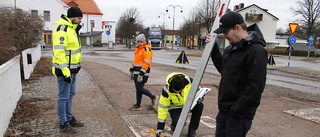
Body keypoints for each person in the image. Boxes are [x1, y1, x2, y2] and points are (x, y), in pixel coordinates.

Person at [206, 12, 267, 137]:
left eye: (226, 32)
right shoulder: (231, 48)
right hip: (224, 111)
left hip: (238, 116)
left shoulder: (256, 50)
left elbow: (256, 86)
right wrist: (213, 48)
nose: (224, 36)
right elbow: (224, 69)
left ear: (237, 28)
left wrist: (236, 110)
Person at [52, 6, 84, 134]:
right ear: (72, 17)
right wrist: (65, 72)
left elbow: (73, 52)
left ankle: (69, 118)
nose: (81, 20)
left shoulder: (72, 30)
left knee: (70, 96)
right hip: (65, 71)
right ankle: (63, 122)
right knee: (63, 97)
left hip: (72, 70)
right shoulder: (63, 31)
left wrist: (77, 67)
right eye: (79, 18)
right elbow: (59, 53)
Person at [155, 72, 203, 137]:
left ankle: (192, 130)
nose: (177, 92)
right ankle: (174, 125)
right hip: (175, 107)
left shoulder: (190, 82)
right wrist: (160, 127)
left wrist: (200, 98)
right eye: (175, 91)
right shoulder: (166, 91)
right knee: (179, 124)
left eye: (179, 91)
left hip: (188, 104)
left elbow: (199, 90)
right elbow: (162, 108)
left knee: (199, 106)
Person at [129, 34, 158, 111]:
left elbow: (147, 62)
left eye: (141, 41)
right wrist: (132, 68)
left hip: (143, 71)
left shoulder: (146, 50)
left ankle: (153, 97)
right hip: (136, 71)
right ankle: (138, 105)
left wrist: (142, 73)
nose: (139, 43)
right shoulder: (138, 50)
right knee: (138, 89)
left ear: (144, 41)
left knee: (139, 88)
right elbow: (136, 61)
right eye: (138, 41)